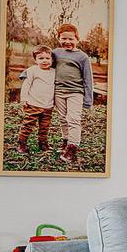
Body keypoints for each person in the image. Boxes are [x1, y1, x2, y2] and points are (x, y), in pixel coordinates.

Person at [49, 24, 96, 165]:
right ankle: (66, 142)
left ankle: (73, 147)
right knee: (63, 118)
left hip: (75, 92)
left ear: (77, 39)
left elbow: (88, 79)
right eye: (64, 38)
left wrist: (88, 100)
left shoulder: (82, 57)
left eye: (71, 38)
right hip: (58, 92)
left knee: (73, 119)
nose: (67, 41)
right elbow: (44, 66)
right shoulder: (55, 53)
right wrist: (28, 73)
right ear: (58, 39)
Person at [16, 45, 57, 159]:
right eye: (41, 58)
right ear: (35, 60)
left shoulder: (54, 72)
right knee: (28, 125)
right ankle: (22, 143)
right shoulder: (32, 70)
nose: (44, 61)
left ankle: (43, 143)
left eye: (47, 58)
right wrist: (24, 99)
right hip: (33, 104)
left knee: (44, 126)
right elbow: (26, 85)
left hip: (47, 106)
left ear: (52, 59)